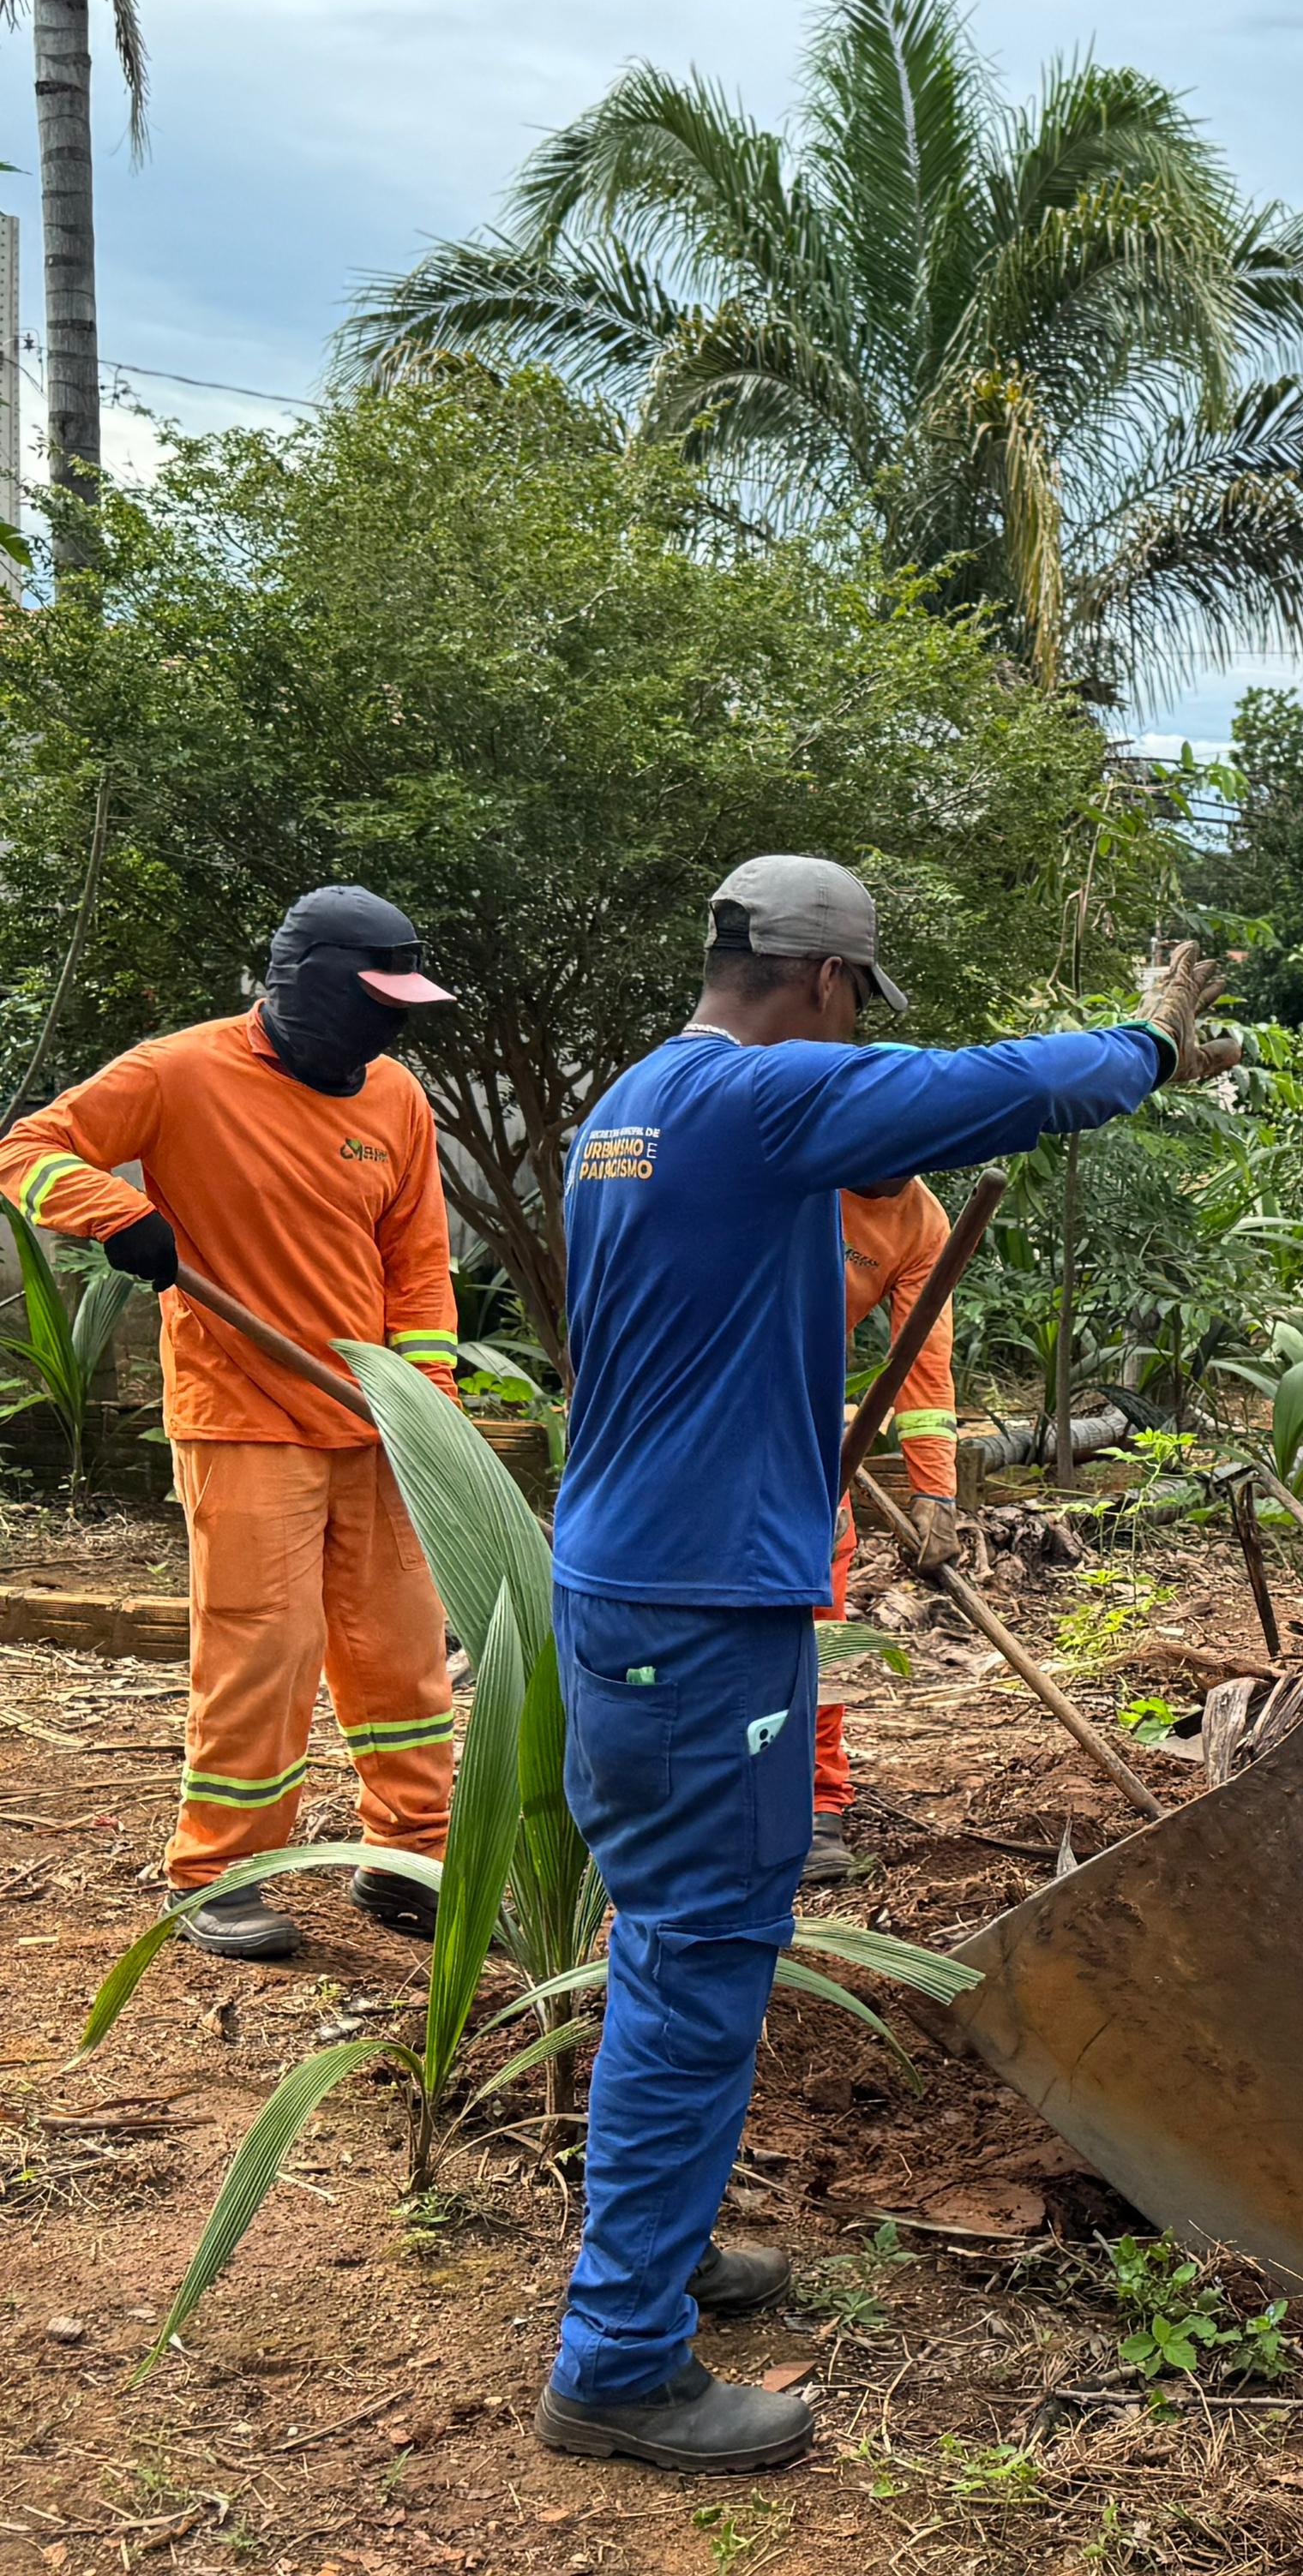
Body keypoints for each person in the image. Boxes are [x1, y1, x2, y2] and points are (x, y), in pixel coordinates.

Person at [534, 857, 1234, 2475]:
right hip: (699, 1611)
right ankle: (621, 2361)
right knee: (702, 1959)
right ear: (827, 986)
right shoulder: (756, 1100)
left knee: (681, 1943)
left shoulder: (637, 1098)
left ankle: (664, 2250)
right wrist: (1145, 1046)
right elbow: (983, 1089)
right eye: (857, 1007)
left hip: (649, 1580)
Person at [0, 886, 464, 1959]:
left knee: (402, 1657)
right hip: (244, 1414)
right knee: (266, 1646)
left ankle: (409, 1857)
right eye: (375, 1000)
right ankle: (223, 1870)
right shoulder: (180, 1070)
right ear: (306, 984)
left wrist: (426, 1403)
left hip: (374, 1417)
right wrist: (117, 1215)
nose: (390, 1026)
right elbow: (27, 1147)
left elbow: (420, 1262)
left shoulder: (395, 1098)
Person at [808, 1173, 968, 1884]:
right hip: (705, 1390)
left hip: (805, 1417)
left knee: (820, 1613)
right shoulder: (797, 1157)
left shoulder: (922, 1223)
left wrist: (934, 1490)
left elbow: (924, 1364)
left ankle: (815, 1804)